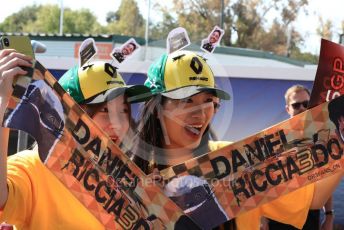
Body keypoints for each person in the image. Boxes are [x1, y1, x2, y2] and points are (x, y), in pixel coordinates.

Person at [131, 51, 343, 230]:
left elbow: (313, 197)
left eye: (207, 101)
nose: (200, 113)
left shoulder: (236, 158)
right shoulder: (132, 179)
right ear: (157, 108)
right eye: (186, 100)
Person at [0, 49, 149, 229]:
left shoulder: (128, 182)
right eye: (105, 111)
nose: (117, 123)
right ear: (68, 115)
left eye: (123, 111)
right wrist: (3, 102)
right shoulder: (33, 166)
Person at [266, 84, 334, 230]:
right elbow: (263, 183)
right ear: (288, 109)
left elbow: (326, 178)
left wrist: (329, 215)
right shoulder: (273, 139)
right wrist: (262, 219)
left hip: (310, 216)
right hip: (278, 217)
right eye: (296, 105)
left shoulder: (321, 138)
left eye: (306, 103)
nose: (302, 108)